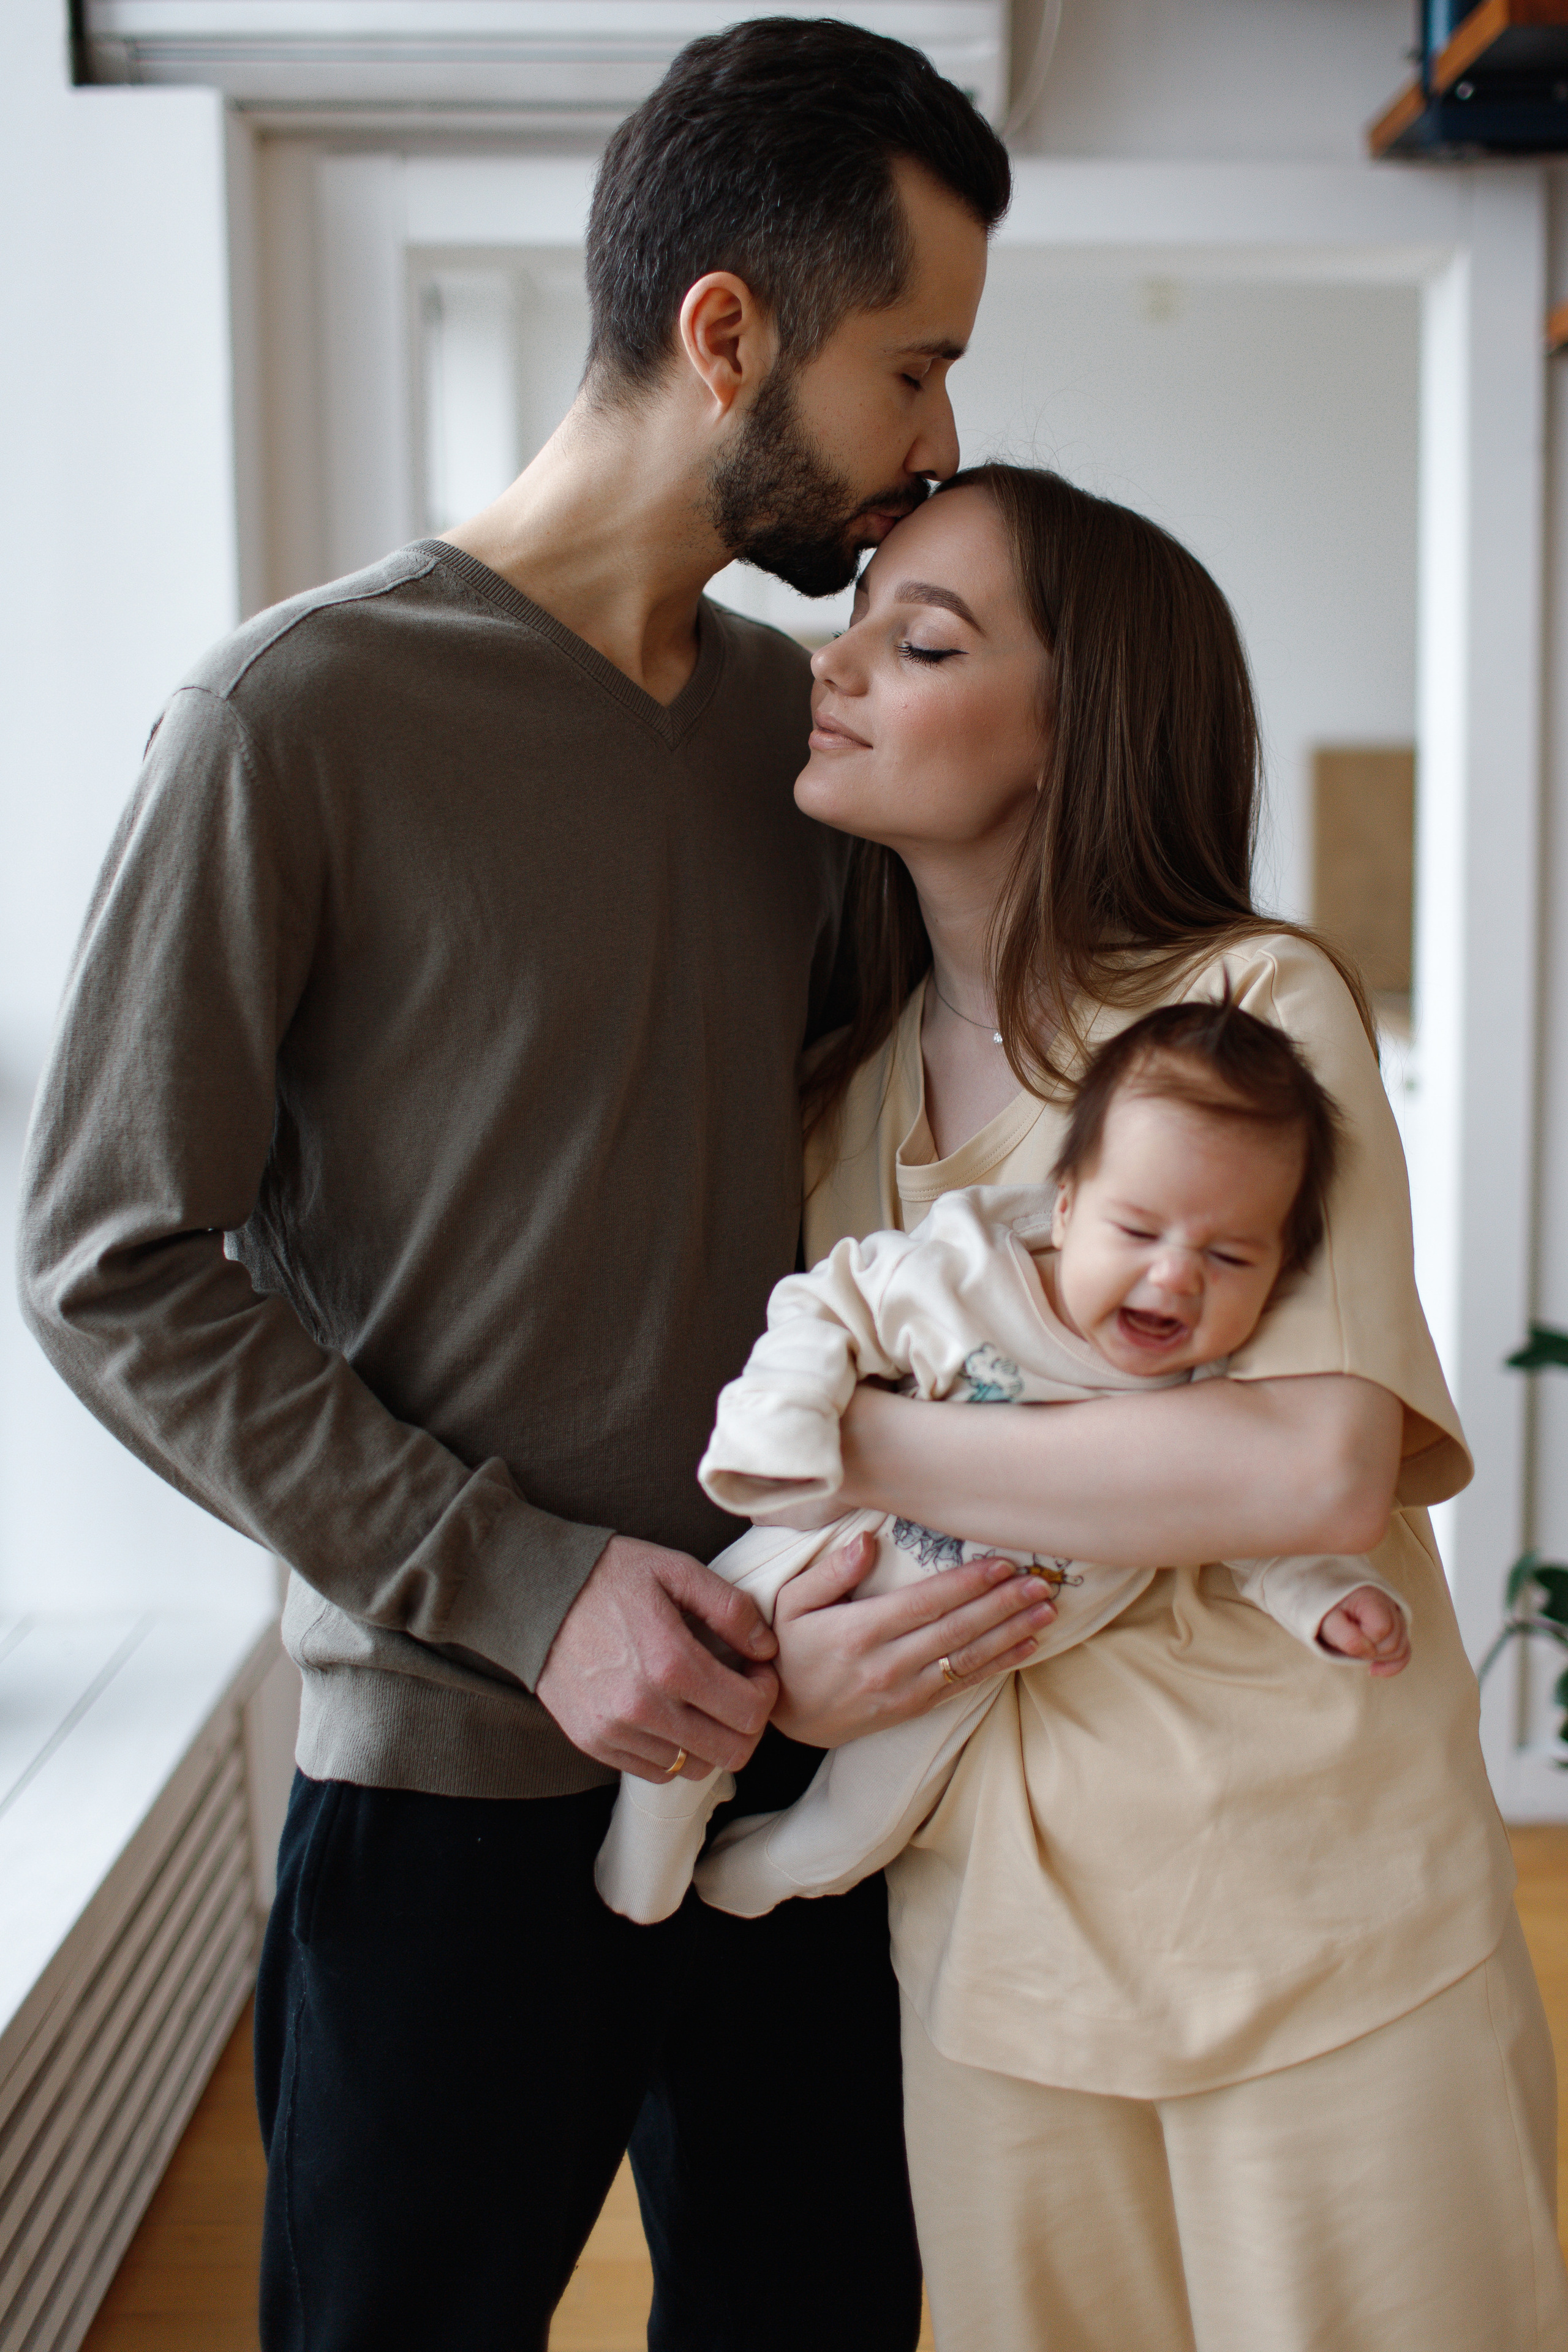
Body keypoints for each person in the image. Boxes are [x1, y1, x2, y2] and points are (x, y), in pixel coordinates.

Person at [14, 24, 1040, 2351]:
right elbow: (109, 1257)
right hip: (445, 1791)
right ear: (727, 337)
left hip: (798, 1748)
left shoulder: (807, 739)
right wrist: (521, 1581)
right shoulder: (295, 719)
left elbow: (935, 1158)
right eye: (916, 366)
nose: (936, 448)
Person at [750, 461, 1568, 2350]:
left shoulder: (1251, 1008)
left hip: (1311, 1913)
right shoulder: (840, 1097)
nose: (840, 661)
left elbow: (1308, 1457)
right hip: (989, 1944)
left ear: (1076, 728)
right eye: (857, 613)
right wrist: (807, 1658)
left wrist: (851, 1440)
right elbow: (820, 1539)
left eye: (921, 636)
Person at [597, 999, 1410, 1926]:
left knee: (861, 1831)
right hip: (836, 1548)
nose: (1177, 1277)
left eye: (1228, 1256)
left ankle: (772, 1872)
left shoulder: (1212, 1397)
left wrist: (1325, 1598)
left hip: (971, 1650)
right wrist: (783, 1416)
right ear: (1066, 1205)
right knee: (696, 1670)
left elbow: (1249, 1528)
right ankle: (647, 1850)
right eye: (1139, 1232)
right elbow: (827, 1305)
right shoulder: (973, 1273)